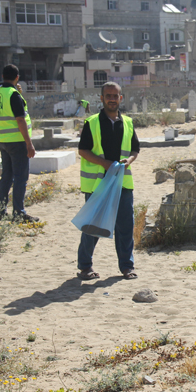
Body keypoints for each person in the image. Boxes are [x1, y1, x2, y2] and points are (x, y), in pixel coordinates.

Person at [77, 82, 139, 280]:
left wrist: (129, 160)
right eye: (108, 96)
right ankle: (85, 267)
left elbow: (135, 149)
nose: (112, 99)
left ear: (121, 98)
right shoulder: (92, 123)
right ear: (102, 98)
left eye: (115, 96)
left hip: (122, 183)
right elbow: (83, 150)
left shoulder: (128, 123)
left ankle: (127, 267)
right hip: (98, 184)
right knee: (92, 227)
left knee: (125, 226)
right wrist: (103, 163)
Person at [0, 64, 39, 223]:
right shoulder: (13, 95)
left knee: (6, 177)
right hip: (17, 142)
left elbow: (4, 112)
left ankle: (0, 211)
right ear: (17, 78)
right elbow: (20, 119)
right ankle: (18, 212)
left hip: (3, 141)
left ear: (2, 76)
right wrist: (29, 143)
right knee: (20, 178)